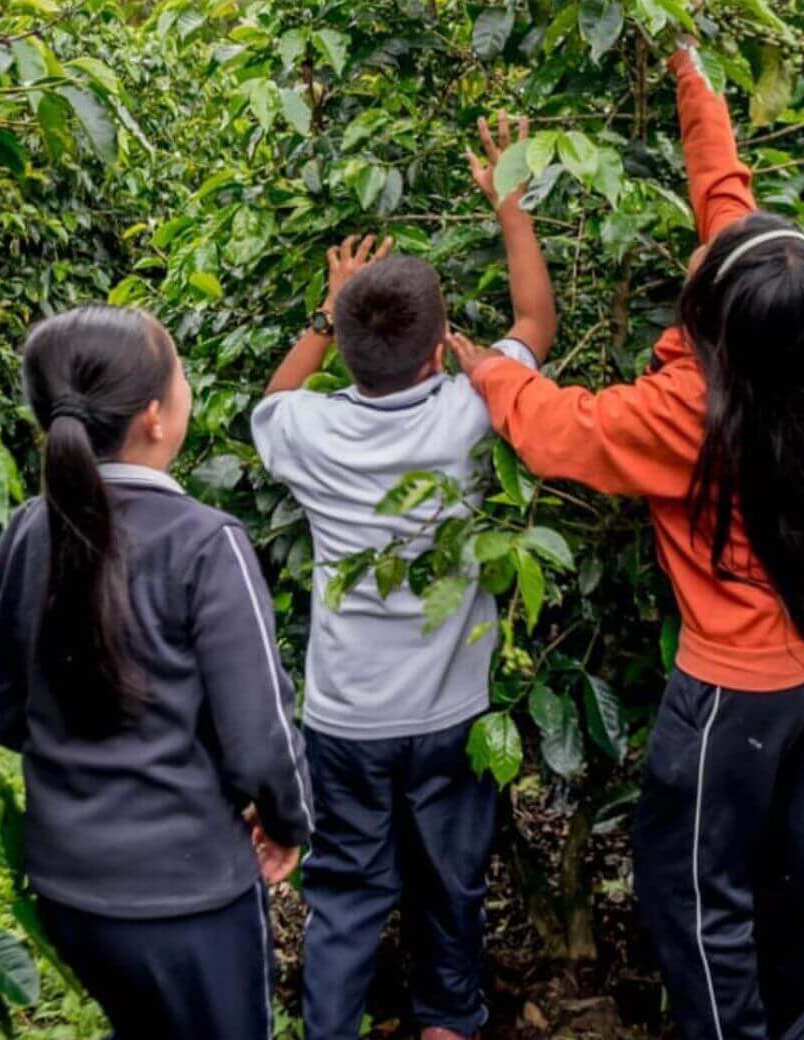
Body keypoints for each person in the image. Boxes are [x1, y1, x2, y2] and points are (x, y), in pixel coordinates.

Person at [448, 42, 804, 1040]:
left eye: (700, 261)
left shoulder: (686, 411)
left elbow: (556, 430)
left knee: (689, 897)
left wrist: (484, 368)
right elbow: (724, 186)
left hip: (730, 696)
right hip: (803, 662)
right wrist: (688, 71)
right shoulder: (781, 336)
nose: (699, 245)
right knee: (775, 874)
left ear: (710, 314)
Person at [251, 111, 557, 1040]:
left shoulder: (307, 430)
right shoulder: (471, 411)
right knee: (451, 882)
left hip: (344, 717)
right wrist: (509, 202)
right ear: (437, 349)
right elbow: (536, 320)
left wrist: (327, 309)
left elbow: (272, 398)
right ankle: (447, 1021)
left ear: (344, 347)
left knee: (344, 891)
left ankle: (332, 1027)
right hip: (451, 712)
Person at [0, 304, 313, 1040]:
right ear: (157, 416)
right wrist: (288, 823)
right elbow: (262, 742)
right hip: (186, 897)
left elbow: (2, 714)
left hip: (69, 890)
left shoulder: (28, 530)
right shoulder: (206, 544)